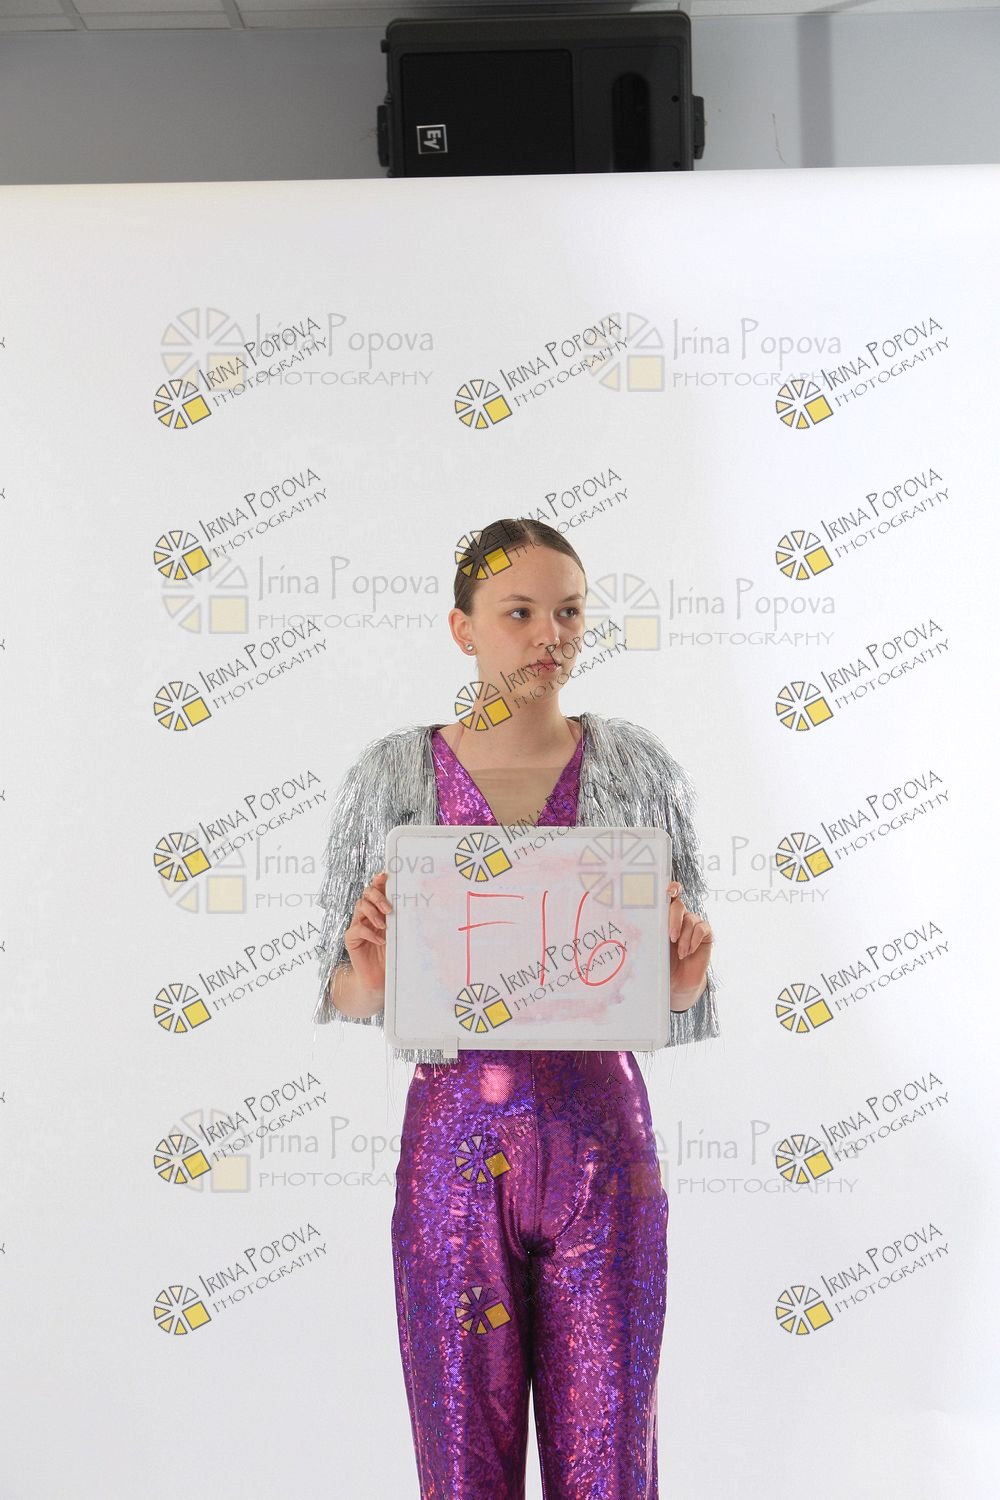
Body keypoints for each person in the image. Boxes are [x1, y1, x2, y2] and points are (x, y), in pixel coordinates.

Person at [312, 517, 719, 1499]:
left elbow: (672, 997)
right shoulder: (393, 776)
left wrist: (684, 976)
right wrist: (367, 972)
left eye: (569, 612)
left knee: (609, 1459)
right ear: (463, 628)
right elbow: (343, 988)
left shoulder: (637, 770)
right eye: (520, 612)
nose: (550, 635)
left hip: (603, 1146)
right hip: (454, 1147)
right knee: (462, 1462)